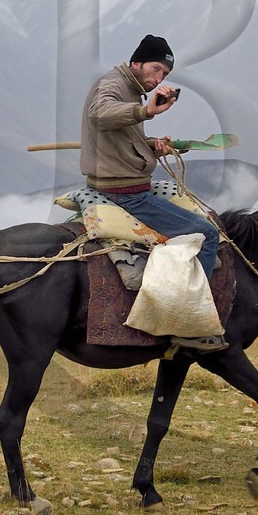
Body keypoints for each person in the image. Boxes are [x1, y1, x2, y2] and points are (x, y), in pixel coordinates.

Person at [80, 34, 225, 350]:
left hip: (123, 179)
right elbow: (100, 114)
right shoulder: (113, 86)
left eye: (164, 74)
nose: (158, 78)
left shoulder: (128, 87)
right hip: (126, 192)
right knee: (207, 234)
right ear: (136, 62)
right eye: (155, 69)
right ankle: (188, 320)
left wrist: (152, 147)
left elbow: (119, 138)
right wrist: (145, 113)